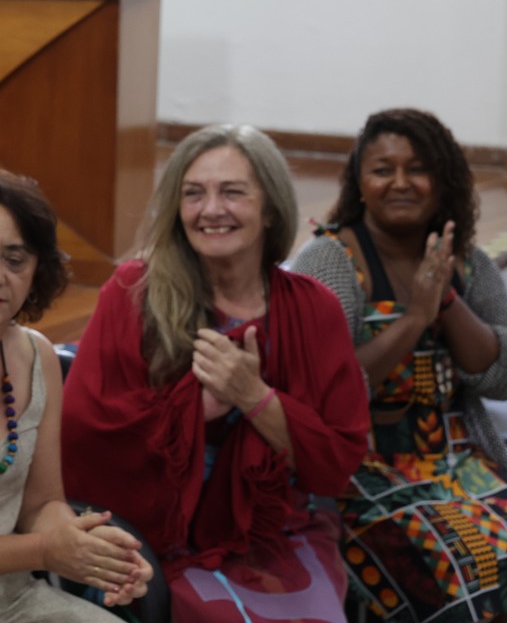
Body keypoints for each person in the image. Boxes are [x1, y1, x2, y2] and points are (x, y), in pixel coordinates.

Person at [60, 124, 371, 622]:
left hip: (278, 528)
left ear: (270, 209)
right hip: (162, 535)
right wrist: (193, 410)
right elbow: (84, 433)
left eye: (232, 192)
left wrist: (254, 398)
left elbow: (335, 462)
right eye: (193, 194)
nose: (210, 210)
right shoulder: (133, 291)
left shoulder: (314, 309)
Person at [290, 108, 507, 622]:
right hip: (365, 471)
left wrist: (446, 301)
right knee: (461, 565)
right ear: (360, 183)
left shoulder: (470, 262)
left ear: (442, 181)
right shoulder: (330, 260)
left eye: (418, 169)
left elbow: (504, 377)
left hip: (462, 461)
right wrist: (414, 319)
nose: (400, 182)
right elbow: (329, 391)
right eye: (383, 170)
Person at [0, 169, 152, 623]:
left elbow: (41, 505)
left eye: (15, 259)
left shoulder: (37, 356)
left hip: (18, 597)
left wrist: (96, 551)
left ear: (38, 271)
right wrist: (46, 550)